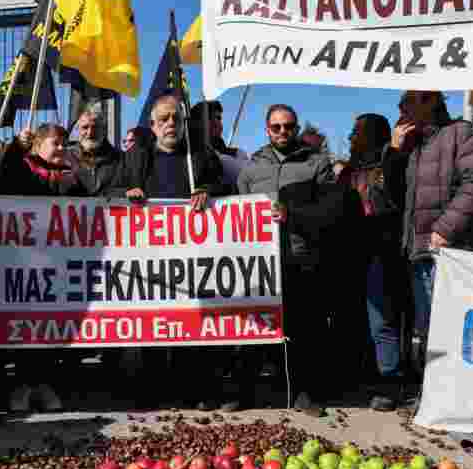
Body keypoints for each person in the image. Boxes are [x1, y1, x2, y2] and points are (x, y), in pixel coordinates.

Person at [238, 104, 359, 411]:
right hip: (260, 263)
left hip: (301, 256)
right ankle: (247, 391)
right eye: (276, 127)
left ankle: (305, 392)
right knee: (256, 327)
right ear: (267, 130)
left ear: (295, 128)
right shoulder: (251, 169)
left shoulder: (316, 164)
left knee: (305, 328)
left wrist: (292, 215)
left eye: (288, 126)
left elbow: (331, 211)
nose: (282, 132)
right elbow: (236, 212)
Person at [117, 95, 231, 409]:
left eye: (175, 119)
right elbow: (110, 194)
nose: (170, 124)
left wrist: (208, 191)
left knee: (190, 326)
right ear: (152, 126)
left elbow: (227, 194)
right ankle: (155, 391)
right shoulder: (135, 159)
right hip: (149, 260)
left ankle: (192, 390)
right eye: (164, 119)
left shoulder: (202, 157)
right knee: (154, 327)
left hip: (193, 259)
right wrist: (127, 193)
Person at [391, 90, 473, 370]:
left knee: (450, 326)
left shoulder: (461, 133)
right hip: (419, 249)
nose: (401, 108)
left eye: (408, 101)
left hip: (448, 249)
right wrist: (394, 153)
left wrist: (446, 228)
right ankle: (432, 392)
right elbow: (391, 194)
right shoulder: (414, 143)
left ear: (430, 101)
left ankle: (452, 394)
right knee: (428, 325)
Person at [0, 124, 75, 413]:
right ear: (37, 145)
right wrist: (17, 146)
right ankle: (21, 387)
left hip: (56, 264)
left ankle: (43, 385)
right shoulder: (24, 168)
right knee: (22, 329)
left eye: (64, 143)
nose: (60, 148)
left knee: (49, 330)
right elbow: (0, 172)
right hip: (17, 263)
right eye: (55, 143)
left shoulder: (72, 174)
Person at [341, 113, 409, 411]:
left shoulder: (391, 164)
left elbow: (394, 198)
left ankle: (389, 382)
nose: (350, 137)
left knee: (381, 317)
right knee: (355, 316)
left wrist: (393, 155)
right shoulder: (349, 170)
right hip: (351, 250)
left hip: (381, 249)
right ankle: (360, 375)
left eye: (357, 131)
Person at [67, 107, 123, 196]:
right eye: (85, 127)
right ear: (77, 130)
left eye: (95, 127)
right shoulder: (66, 157)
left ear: (104, 130)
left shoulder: (120, 159)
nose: (90, 133)